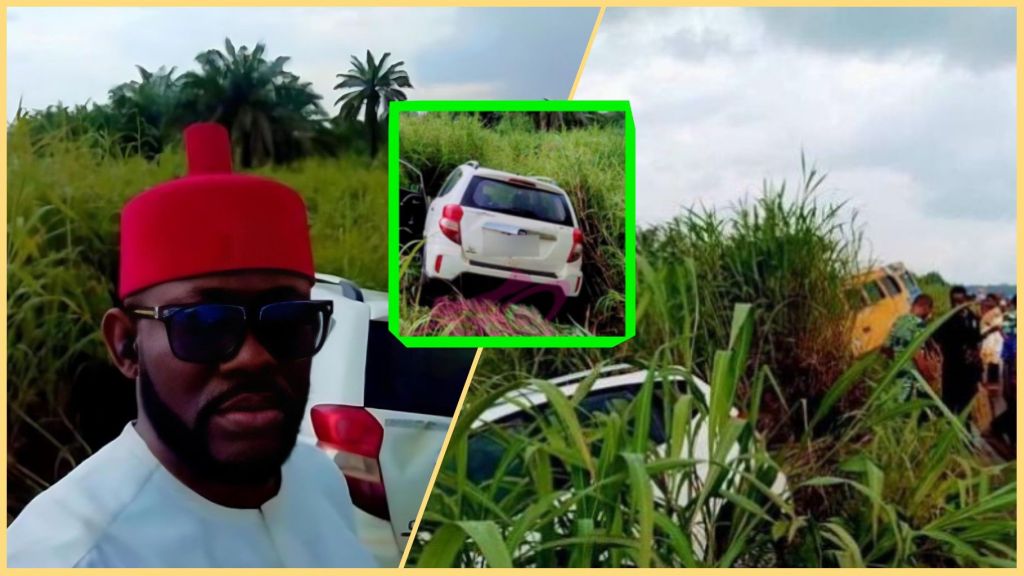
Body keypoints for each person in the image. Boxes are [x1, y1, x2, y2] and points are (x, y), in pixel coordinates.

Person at [7, 123, 377, 568]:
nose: (254, 356)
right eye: (204, 324)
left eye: (288, 321)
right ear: (126, 346)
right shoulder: (69, 554)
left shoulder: (320, 480)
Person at [933, 285, 982, 416]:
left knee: (967, 402)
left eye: (961, 301)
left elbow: (976, 339)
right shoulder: (946, 320)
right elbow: (936, 339)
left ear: (966, 300)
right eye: (955, 301)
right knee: (950, 401)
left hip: (969, 368)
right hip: (952, 367)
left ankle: (965, 428)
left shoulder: (973, 318)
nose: (958, 304)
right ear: (951, 302)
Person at [884, 294, 941, 401]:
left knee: (901, 405)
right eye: (930, 311)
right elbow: (917, 354)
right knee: (918, 409)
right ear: (926, 308)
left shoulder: (899, 321)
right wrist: (928, 377)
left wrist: (898, 361)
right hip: (914, 377)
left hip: (898, 375)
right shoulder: (918, 324)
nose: (929, 315)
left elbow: (886, 348)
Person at [979, 293, 1005, 389]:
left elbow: (997, 326)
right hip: (987, 337)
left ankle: (993, 382)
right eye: (987, 300)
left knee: (994, 359)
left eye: (991, 300)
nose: (988, 302)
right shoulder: (986, 311)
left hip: (994, 338)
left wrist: (988, 331)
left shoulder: (996, 312)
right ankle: (988, 381)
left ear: (995, 302)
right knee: (986, 358)